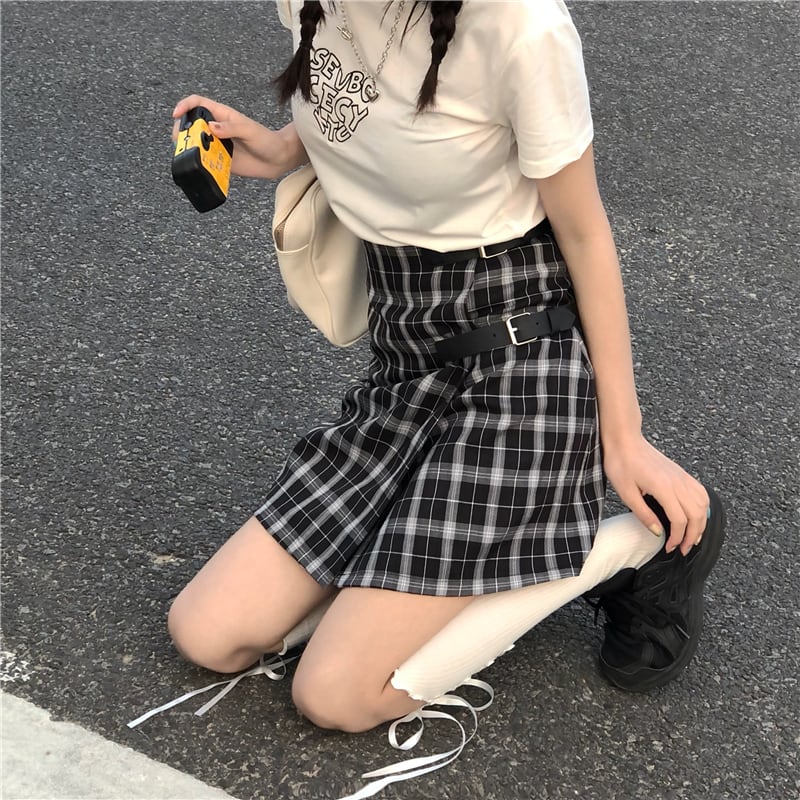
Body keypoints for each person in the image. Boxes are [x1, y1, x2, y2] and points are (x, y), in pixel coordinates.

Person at [168, 0, 725, 744]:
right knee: (208, 632)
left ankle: (631, 550)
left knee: (336, 694)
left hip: (522, 357)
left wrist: (623, 440)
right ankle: (398, 579)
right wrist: (280, 147)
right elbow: (375, 97)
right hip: (409, 357)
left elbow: (586, 235)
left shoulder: (521, 27)